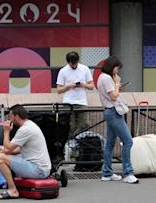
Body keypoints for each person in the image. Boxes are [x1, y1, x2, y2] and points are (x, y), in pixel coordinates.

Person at [0, 104, 51, 200]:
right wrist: (3, 150)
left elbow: (8, 149)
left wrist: (6, 132)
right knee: (4, 154)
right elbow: (18, 149)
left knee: (0, 158)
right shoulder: (30, 125)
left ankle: (13, 190)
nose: (9, 120)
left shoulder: (25, 129)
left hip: (38, 170)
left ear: (16, 116)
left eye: (10, 117)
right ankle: (14, 187)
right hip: (41, 168)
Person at [97, 56, 138, 184]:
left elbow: (112, 95)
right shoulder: (107, 78)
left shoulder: (102, 77)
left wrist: (117, 85)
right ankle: (128, 173)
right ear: (112, 66)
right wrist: (117, 83)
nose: (117, 71)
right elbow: (114, 96)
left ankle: (107, 173)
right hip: (113, 112)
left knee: (109, 144)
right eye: (117, 68)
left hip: (109, 111)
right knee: (128, 141)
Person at [56, 51, 94, 138]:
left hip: (82, 101)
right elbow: (59, 90)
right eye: (71, 64)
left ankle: (75, 140)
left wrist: (82, 84)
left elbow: (91, 86)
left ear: (78, 61)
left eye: (75, 63)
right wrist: (68, 86)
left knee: (85, 124)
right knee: (70, 126)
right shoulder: (63, 71)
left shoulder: (85, 69)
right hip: (68, 102)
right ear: (68, 62)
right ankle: (70, 145)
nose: (73, 66)